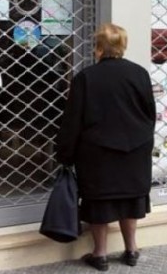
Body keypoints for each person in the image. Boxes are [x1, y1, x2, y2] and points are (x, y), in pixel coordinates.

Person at [55, 24, 156, 272]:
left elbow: (73, 119)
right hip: (135, 149)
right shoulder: (139, 74)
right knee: (130, 199)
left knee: (98, 202)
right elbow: (149, 113)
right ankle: (131, 249)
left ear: (98, 47)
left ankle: (100, 254)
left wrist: (65, 153)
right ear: (123, 45)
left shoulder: (86, 77)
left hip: (97, 152)